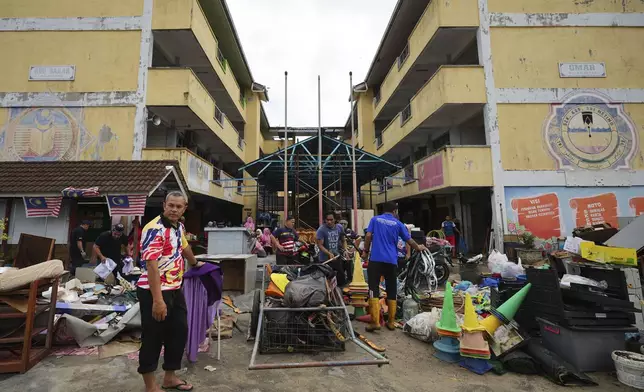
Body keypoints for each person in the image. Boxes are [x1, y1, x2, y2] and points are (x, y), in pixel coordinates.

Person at [137, 191, 203, 392]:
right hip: (154, 291)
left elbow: (184, 247)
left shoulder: (178, 227)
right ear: (164, 205)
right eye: (171, 205)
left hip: (175, 288)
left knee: (179, 332)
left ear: (184, 209)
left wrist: (195, 263)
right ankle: (150, 386)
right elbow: (152, 266)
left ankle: (169, 377)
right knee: (153, 336)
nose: (174, 209)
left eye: (178, 206)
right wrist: (158, 300)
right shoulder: (154, 229)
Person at [362, 202, 427, 332]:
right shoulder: (398, 223)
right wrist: (418, 247)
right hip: (391, 261)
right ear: (395, 211)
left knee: (373, 288)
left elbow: (368, 236)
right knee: (392, 289)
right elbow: (409, 240)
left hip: (375, 260)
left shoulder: (375, 219)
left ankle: (375, 322)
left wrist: (366, 251)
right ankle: (391, 322)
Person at [317, 212, 347, 286]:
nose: (329, 222)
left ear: (335, 220)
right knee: (327, 280)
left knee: (341, 277)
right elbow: (320, 245)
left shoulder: (339, 227)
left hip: (337, 257)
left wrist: (345, 250)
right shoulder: (321, 230)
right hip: (325, 259)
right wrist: (329, 253)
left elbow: (343, 240)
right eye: (327, 220)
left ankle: (340, 293)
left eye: (331, 220)